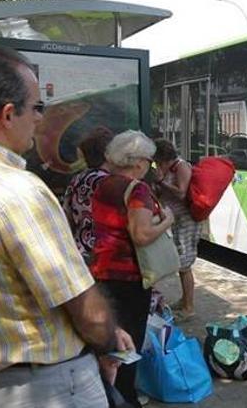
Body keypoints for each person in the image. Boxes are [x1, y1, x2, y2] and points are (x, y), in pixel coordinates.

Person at [0, 47, 133, 408]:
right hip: (49, 387)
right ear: (7, 114)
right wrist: (108, 345)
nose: (39, 118)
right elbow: (84, 306)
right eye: (36, 107)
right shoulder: (19, 191)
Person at [90, 130, 175, 406]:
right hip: (128, 277)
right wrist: (167, 220)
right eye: (150, 162)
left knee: (110, 343)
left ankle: (108, 395)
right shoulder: (137, 189)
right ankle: (124, 398)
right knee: (128, 344)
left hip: (101, 272)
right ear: (138, 161)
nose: (149, 168)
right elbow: (141, 234)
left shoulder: (103, 185)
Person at [153, 138, 200, 321]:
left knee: (185, 264)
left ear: (164, 159)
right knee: (181, 263)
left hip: (187, 221)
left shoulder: (181, 167)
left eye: (158, 161)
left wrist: (161, 181)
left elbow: (181, 192)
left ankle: (189, 307)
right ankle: (184, 300)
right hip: (176, 220)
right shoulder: (168, 169)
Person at [62, 126, 114, 262]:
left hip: (79, 251)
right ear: (109, 153)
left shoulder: (76, 180)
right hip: (104, 253)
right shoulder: (110, 182)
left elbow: (67, 216)